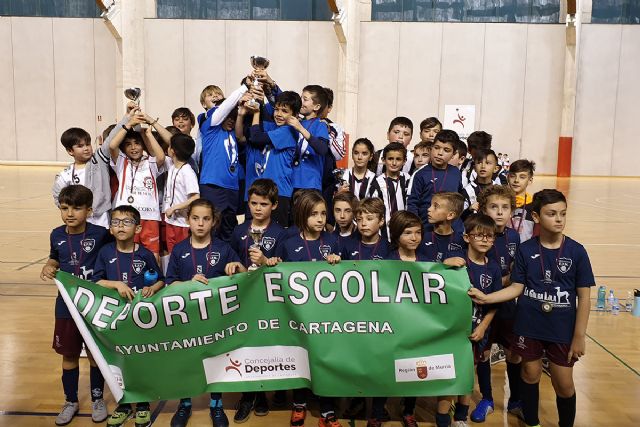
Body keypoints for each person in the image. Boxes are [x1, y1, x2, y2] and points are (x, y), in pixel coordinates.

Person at [469, 189, 595, 427]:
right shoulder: (526, 249)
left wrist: (579, 336)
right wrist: (486, 298)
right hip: (529, 324)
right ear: (536, 217)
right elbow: (517, 287)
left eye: (563, 214)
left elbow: (585, 298)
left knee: (564, 384)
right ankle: (533, 423)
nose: (558, 219)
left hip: (561, 328)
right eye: (551, 214)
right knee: (529, 374)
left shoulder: (577, 251)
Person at [165, 198, 245, 427]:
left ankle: (216, 404)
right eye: (195, 218)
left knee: (216, 359)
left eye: (206, 219)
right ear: (188, 220)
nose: (200, 223)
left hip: (215, 320)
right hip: (187, 320)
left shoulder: (223, 248)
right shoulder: (179, 250)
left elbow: (245, 275)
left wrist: (239, 267)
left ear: (214, 222)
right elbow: (170, 284)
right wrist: (189, 284)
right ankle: (185, 403)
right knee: (187, 362)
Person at [40, 185, 111, 426]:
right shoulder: (56, 234)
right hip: (66, 306)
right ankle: (70, 400)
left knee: (94, 354)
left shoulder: (101, 234)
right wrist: (49, 265)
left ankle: (97, 399)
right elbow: (54, 257)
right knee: (69, 355)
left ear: (89, 210)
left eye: (77, 208)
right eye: (64, 207)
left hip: (92, 306)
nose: (70, 213)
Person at [269, 191, 341, 427]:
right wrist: (272, 264)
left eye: (323, 214)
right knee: (300, 359)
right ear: (302, 216)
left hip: (327, 316)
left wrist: (337, 261)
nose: (320, 219)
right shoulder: (289, 244)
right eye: (313, 214)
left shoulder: (332, 241)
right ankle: (299, 403)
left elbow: (350, 272)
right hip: (298, 317)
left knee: (325, 361)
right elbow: (275, 273)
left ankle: (327, 409)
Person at [93, 205, 165, 427]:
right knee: (119, 362)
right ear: (110, 228)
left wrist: (153, 288)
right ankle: (123, 404)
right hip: (114, 320)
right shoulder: (105, 252)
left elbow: (161, 279)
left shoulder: (145, 254)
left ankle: (142, 404)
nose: (120, 226)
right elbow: (97, 281)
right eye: (116, 222)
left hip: (139, 319)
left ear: (138, 228)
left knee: (139, 360)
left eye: (126, 222)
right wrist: (116, 284)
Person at [470, 185, 523, 422]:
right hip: (483, 306)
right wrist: (504, 280)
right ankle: (487, 399)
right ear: (483, 209)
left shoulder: (514, 236)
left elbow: (516, 275)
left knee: (514, 354)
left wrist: (510, 281)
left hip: (508, 306)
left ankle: (516, 401)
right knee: (484, 354)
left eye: (505, 207)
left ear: (512, 211)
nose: (500, 213)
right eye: (494, 207)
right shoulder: (479, 236)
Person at [449, 214, 502, 427]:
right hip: (453, 330)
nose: (484, 240)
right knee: (453, 369)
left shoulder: (495, 268)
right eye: (479, 235)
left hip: (477, 330)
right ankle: (445, 410)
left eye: (489, 237)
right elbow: (434, 278)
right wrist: (446, 263)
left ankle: (461, 416)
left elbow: (494, 304)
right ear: (466, 237)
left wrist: (482, 327)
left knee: (468, 372)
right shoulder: (457, 262)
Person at [108, 110, 166, 261]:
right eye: (128, 145)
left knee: (152, 255)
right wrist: (129, 124)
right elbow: (113, 145)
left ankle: (154, 283)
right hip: (126, 216)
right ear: (124, 149)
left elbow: (160, 156)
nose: (133, 148)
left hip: (149, 216)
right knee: (126, 253)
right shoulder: (121, 162)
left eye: (137, 143)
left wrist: (147, 133)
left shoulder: (151, 164)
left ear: (143, 146)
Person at [197, 82, 250, 241]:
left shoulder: (234, 132)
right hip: (213, 184)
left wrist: (241, 112)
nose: (230, 120)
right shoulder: (210, 126)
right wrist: (244, 87)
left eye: (232, 118)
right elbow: (223, 108)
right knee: (212, 229)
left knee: (229, 229)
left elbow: (241, 132)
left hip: (232, 187)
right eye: (227, 116)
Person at [247, 91, 301, 226]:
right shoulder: (278, 128)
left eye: (284, 111)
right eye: (277, 109)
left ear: (294, 115)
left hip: (280, 192)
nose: (278, 114)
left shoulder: (287, 131)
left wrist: (256, 112)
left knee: (276, 235)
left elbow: (255, 137)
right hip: (270, 190)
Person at [52, 126, 114, 229]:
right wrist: (72, 211)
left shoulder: (99, 161)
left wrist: (128, 118)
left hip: (102, 222)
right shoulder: (65, 175)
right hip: (80, 225)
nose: (86, 148)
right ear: (70, 151)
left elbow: (111, 141)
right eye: (80, 146)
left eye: (88, 144)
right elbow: (58, 197)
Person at [407, 130, 463, 229]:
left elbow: (458, 200)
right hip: (426, 227)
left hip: (451, 229)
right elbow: (412, 203)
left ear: (453, 154)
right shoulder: (421, 173)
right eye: (436, 148)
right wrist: (416, 226)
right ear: (431, 148)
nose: (440, 153)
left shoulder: (456, 173)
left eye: (446, 150)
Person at [163, 133, 200, 253]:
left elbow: (195, 197)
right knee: (172, 255)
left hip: (183, 224)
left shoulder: (188, 171)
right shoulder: (172, 166)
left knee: (183, 255)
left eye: (169, 146)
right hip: (170, 221)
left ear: (172, 151)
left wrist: (174, 208)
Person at [291, 85, 330, 194]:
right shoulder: (296, 122)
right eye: (300, 97)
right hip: (290, 181)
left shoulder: (320, 125)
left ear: (316, 107)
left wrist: (301, 129)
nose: (301, 101)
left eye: (305, 99)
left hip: (310, 184)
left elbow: (322, 149)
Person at [368, 142, 411, 241]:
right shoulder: (377, 183)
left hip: (406, 228)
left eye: (398, 159)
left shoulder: (408, 179)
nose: (394, 163)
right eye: (390, 159)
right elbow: (374, 209)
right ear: (383, 160)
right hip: (385, 232)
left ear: (404, 161)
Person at [419, 192, 466, 266]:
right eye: (430, 205)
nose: (429, 209)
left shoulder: (461, 242)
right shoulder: (421, 237)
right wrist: (442, 265)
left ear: (450, 215)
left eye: (435, 206)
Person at [461, 148, 501, 219]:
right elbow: (460, 217)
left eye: (488, 163)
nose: (483, 166)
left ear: (496, 169)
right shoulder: (467, 190)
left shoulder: (499, 190)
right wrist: (469, 210)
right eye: (479, 163)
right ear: (474, 168)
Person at [507, 159, 537, 242]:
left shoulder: (534, 204)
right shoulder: (501, 202)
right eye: (513, 176)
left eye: (522, 177)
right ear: (507, 177)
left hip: (525, 250)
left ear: (530, 180)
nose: (516, 180)